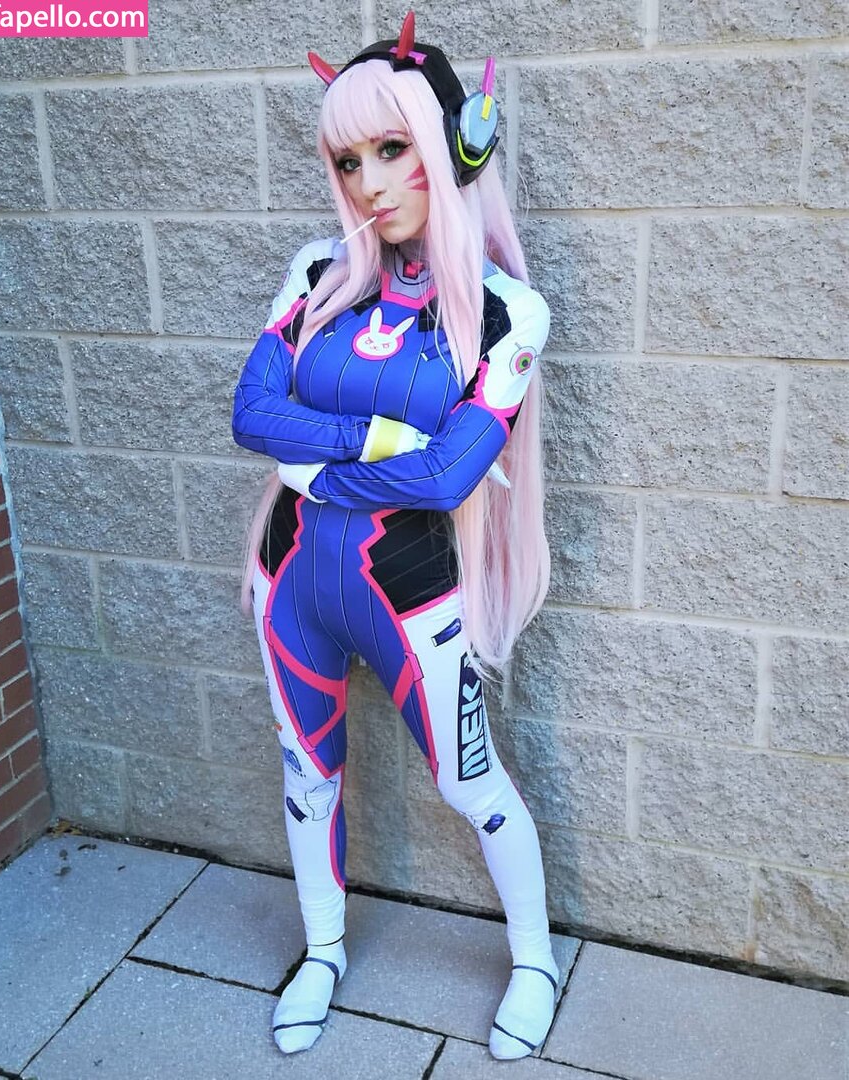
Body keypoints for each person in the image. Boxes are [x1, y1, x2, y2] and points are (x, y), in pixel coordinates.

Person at [232, 11, 557, 1060]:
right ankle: (322, 951)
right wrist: (370, 436)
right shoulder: (314, 275)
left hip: (410, 594)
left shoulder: (506, 313)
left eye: (390, 148)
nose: (368, 183)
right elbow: (250, 412)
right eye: (347, 159)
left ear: (454, 146)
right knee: (306, 775)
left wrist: (310, 463)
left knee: (469, 782)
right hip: (291, 583)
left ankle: (535, 960)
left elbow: (448, 474)